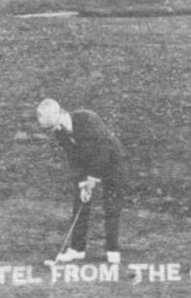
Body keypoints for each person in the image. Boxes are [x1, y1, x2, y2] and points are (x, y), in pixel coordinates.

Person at [36, 98, 125, 265]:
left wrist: (92, 179)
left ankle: (112, 249)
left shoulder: (87, 118)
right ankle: (77, 249)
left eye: (53, 126)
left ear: (61, 114)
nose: (54, 130)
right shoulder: (60, 131)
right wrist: (82, 183)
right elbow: (73, 158)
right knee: (80, 202)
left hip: (113, 162)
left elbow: (103, 150)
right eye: (50, 129)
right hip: (88, 164)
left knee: (111, 205)